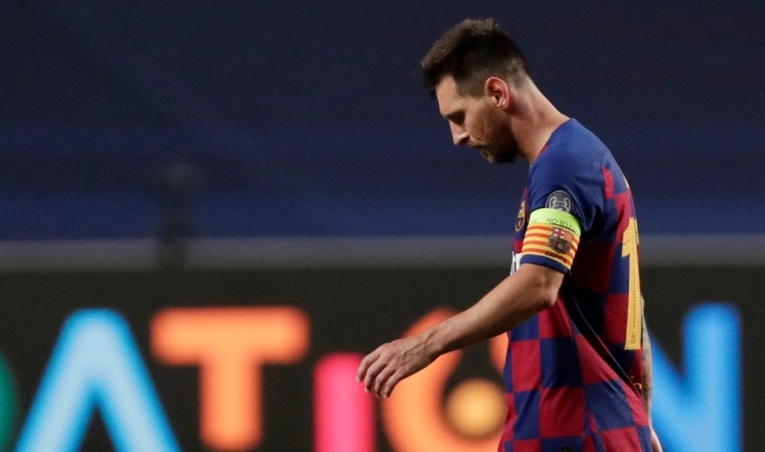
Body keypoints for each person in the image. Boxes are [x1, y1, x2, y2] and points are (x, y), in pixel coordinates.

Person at [356, 18, 663, 452]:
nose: (458, 136)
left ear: (498, 93)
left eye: (459, 116)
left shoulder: (564, 166)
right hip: (583, 430)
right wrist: (638, 419)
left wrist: (426, 345)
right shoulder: (577, 159)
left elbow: (538, 285)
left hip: (575, 433)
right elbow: (633, 310)